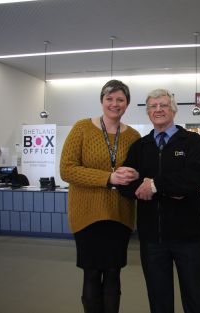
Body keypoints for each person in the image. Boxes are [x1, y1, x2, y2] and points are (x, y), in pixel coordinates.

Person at [119, 89, 200, 313]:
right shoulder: (140, 147)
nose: (158, 109)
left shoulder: (191, 141)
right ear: (148, 112)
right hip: (152, 238)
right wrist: (166, 188)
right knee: (159, 299)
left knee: (194, 295)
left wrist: (154, 185)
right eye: (153, 106)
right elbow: (126, 184)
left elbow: (192, 181)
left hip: (189, 238)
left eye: (163, 105)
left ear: (173, 110)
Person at [60, 79, 140, 313]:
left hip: (120, 215)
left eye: (120, 99)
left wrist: (135, 173)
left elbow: (138, 171)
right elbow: (67, 169)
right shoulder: (82, 128)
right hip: (87, 216)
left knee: (114, 273)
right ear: (102, 101)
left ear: (127, 104)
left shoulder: (133, 135)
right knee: (92, 273)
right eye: (110, 99)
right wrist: (108, 178)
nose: (115, 104)